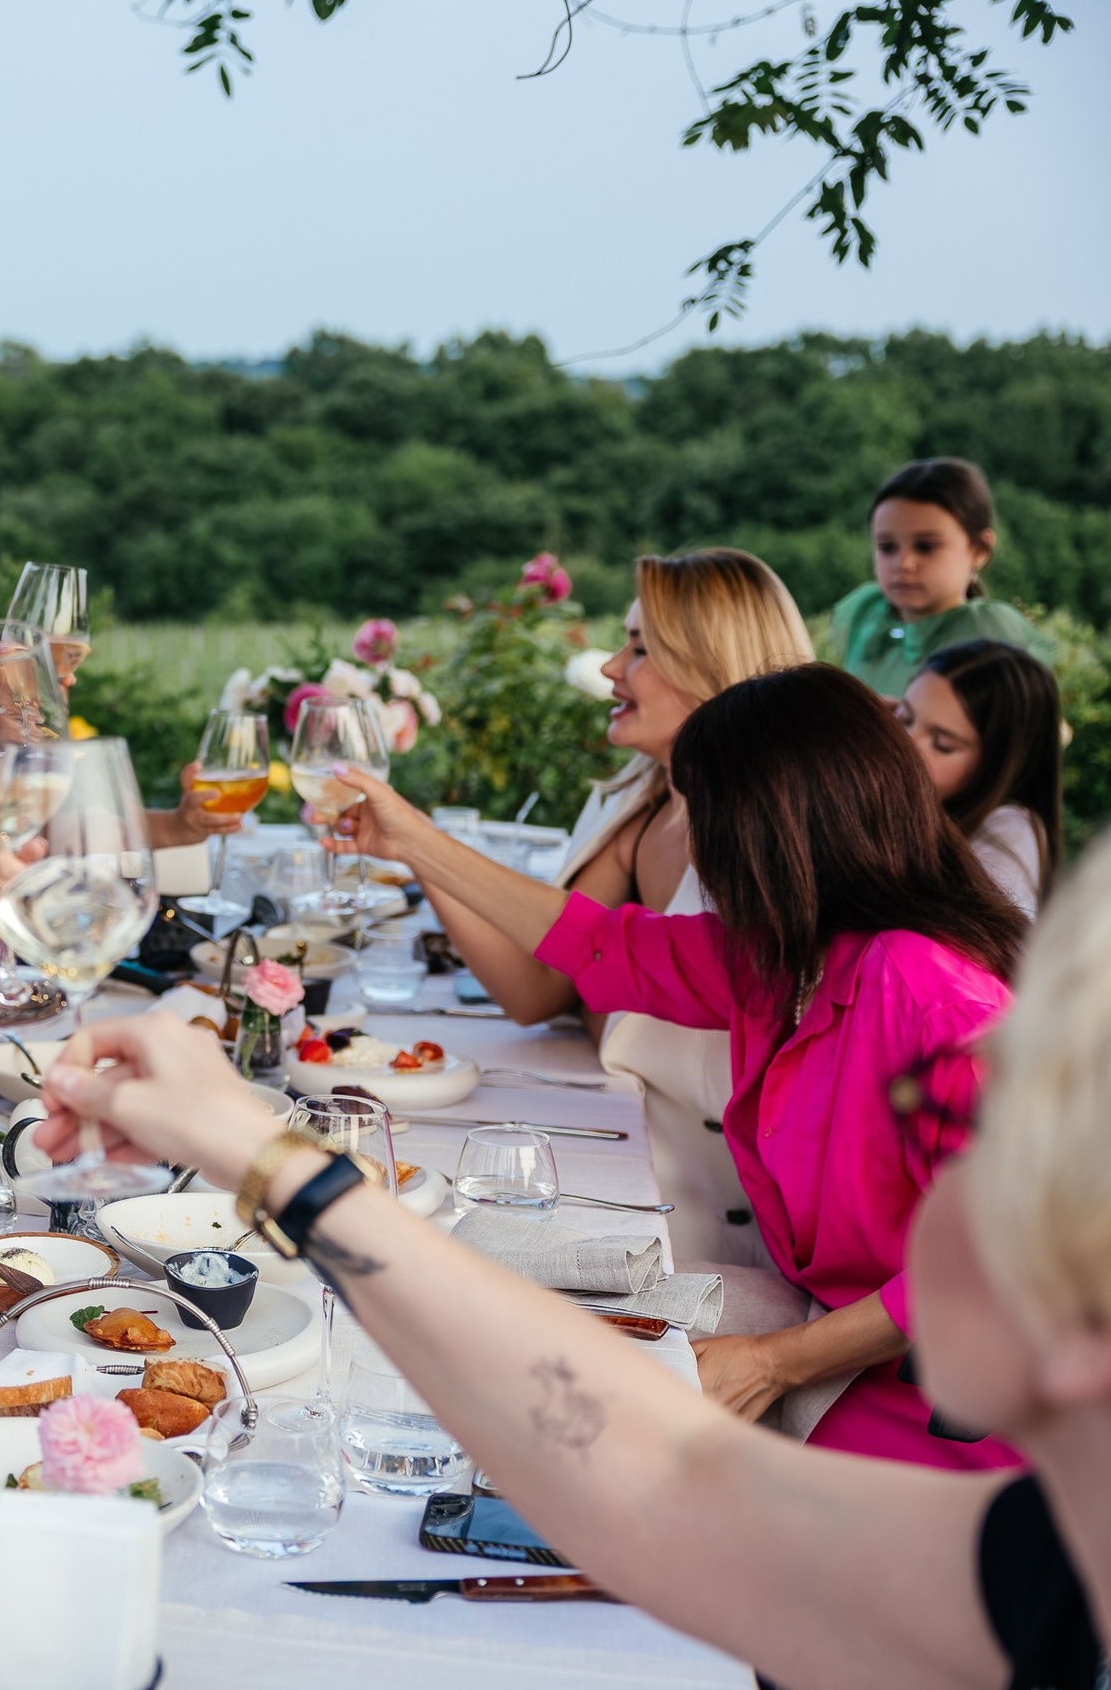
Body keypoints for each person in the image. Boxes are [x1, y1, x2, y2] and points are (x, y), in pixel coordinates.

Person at [31, 868, 1111, 1690]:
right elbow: (663, 1473)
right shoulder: (1043, 1573)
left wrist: (272, 1164)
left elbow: (665, 1481)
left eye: (992, 1128)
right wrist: (264, 1161)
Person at [336, 662, 1025, 1470]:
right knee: (511, 1318)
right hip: (839, 1340)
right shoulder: (788, 958)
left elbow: (997, 1265)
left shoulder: (933, 1000)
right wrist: (411, 838)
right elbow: (597, 944)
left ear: (774, 826)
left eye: (706, 812)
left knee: (583, 1429)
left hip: (947, 1403)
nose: (697, 843)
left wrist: (774, 1361)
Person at [424, 548, 811, 1267]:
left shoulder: (766, 840)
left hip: (719, 1217)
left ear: (713, 665)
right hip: (628, 1152)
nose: (609, 667)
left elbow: (599, 950)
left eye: (639, 647)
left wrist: (420, 840)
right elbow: (536, 987)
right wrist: (418, 851)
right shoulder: (642, 801)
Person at [831, 457, 1054, 699]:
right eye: (887, 547)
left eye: (926, 547)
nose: (903, 564)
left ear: (980, 549)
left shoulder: (990, 634)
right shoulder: (864, 615)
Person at [897, 638, 1064, 918]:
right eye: (904, 719)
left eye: (942, 744)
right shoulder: (926, 804)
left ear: (998, 764)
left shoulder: (1008, 836)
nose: (906, 746)